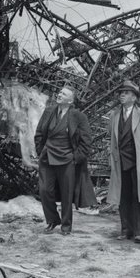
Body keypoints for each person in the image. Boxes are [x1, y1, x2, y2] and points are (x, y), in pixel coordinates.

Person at [33, 85, 92, 235]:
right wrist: (41, 151)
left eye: (63, 94)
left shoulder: (78, 116)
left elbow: (86, 141)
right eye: (59, 92)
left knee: (67, 194)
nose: (59, 94)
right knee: (45, 190)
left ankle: (66, 225)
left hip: (67, 159)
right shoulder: (48, 111)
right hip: (47, 157)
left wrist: (75, 158)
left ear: (71, 100)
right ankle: (53, 220)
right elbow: (39, 133)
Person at [107, 80, 140, 244]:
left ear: (134, 97)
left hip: (137, 162)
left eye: (126, 93)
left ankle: (139, 232)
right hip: (119, 161)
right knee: (122, 196)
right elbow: (111, 138)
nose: (122, 95)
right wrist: (111, 155)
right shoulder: (114, 115)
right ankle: (125, 230)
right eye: (121, 93)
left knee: (138, 197)